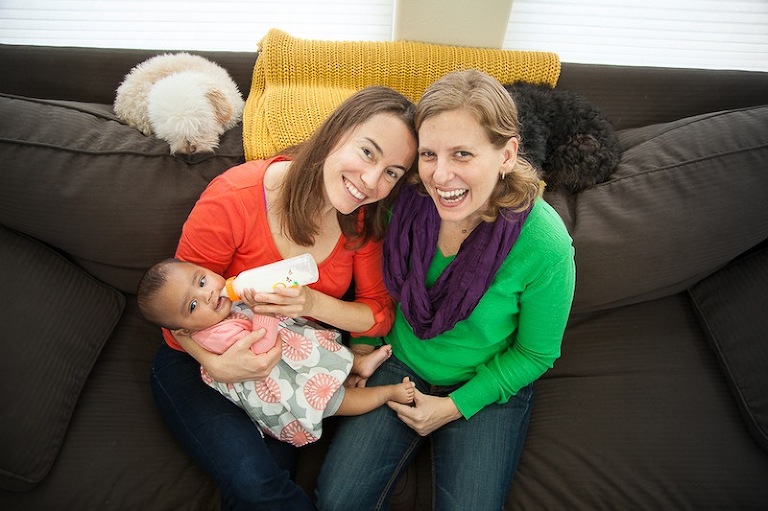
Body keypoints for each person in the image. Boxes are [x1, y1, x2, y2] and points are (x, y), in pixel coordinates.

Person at [316, 69, 576, 511]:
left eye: (462, 154)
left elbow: (536, 353)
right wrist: (362, 346)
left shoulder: (544, 243)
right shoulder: (401, 199)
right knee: (336, 502)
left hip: (483, 380)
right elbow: (372, 284)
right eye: (429, 154)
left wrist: (454, 407)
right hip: (398, 363)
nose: (440, 175)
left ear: (507, 154)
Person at [148, 86, 418, 511]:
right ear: (335, 133)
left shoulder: (361, 225)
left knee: (256, 493)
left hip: (283, 374)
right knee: (258, 487)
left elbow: (379, 314)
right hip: (196, 363)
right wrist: (215, 362)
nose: (371, 181)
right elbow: (176, 310)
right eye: (368, 152)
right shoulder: (233, 198)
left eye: (392, 172)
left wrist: (312, 305)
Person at [138, 258, 415, 447]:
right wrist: (265, 311)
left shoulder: (223, 303)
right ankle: (386, 394)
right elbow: (261, 349)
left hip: (291, 356)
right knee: (336, 401)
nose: (208, 294)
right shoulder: (214, 334)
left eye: (201, 281)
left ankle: (360, 364)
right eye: (193, 307)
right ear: (184, 331)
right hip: (282, 384)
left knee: (326, 349)